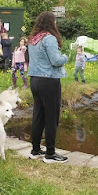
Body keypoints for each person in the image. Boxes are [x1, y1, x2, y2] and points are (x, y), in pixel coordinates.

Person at [28, 11, 68, 163]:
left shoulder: (33, 39)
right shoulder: (49, 38)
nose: (56, 24)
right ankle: (50, 153)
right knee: (51, 117)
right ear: (51, 23)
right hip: (49, 80)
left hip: (35, 80)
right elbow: (56, 61)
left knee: (38, 115)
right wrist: (66, 57)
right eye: (55, 22)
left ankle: (35, 149)